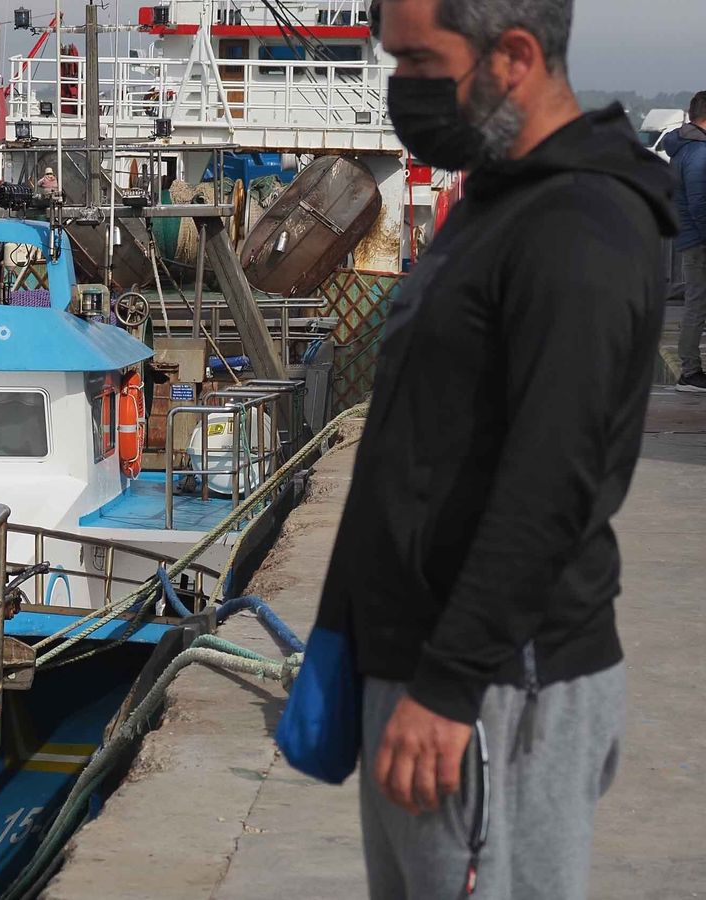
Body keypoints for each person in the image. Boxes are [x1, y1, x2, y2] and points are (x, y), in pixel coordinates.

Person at [319, 1, 676, 898]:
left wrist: (447, 688)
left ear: (513, 55)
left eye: (417, 63)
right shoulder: (499, 197)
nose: (399, 88)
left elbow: (552, 484)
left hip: (491, 687)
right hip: (422, 663)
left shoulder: (576, 225)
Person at [663, 92, 706, 392]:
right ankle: (690, 372)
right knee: (697, 305)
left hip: (690, 239)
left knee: (696, 303)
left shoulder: (681, 148)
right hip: (700, 241)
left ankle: (690, 370)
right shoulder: (700, 153)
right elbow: (700, 203)